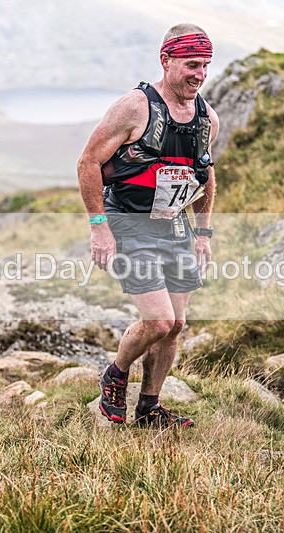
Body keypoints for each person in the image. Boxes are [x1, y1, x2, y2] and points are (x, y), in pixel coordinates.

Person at [77, 23, 219, 428]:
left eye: (206, 66)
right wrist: (99, 227)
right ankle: (115, 373)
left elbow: (205, 174)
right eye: (192, 64)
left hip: (174, 226)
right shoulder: (135, 107)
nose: (199, 74)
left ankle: (150, 408)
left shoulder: (207, 117)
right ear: (166, 60)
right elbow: (88, 162)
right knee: (157, 321)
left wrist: (203, 233)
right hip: (128, 223)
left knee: (175, 326)